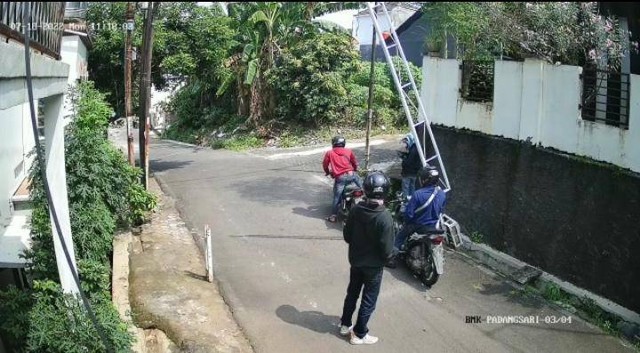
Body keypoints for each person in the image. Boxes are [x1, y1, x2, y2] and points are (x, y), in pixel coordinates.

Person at [339, 171, 394, 345]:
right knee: (368, 300)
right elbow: (387, 251)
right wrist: (390, 258)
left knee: (352, 294)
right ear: (385, 191)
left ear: (366, 190)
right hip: (373, 267)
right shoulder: (385, 217)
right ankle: (359, 333)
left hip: (355, 262)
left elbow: (347, 236)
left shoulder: (355, 209)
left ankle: (345, 324)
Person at [387, 165, 446, 268]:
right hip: (433, 226)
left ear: (424, 179)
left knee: (400, 236)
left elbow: (409, 215)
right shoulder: (442, 194)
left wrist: (405, 219)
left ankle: (391, 259)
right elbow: (441, 210)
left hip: (417, 225)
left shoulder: (418, 194)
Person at [322, 135, 362, 223]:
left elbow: (325, 164)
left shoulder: (330, 153)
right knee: (364, 189)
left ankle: (333, 216)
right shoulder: (349, 151)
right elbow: (354, 162)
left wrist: (327, 172)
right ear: (343, 143)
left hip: (340, 178)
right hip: (352, 175)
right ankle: (371, 200)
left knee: (337, 197)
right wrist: (355, 169)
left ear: (333, 143)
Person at [398, 133, 422, 199]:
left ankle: (405, 203)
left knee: (406, 188)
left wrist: (403, 158)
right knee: (412, 187)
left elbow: (408, 162)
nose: (406, 145)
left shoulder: (413, 149)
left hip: (408, 173)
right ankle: (412, 200)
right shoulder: (416, 147)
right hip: (414, 172)